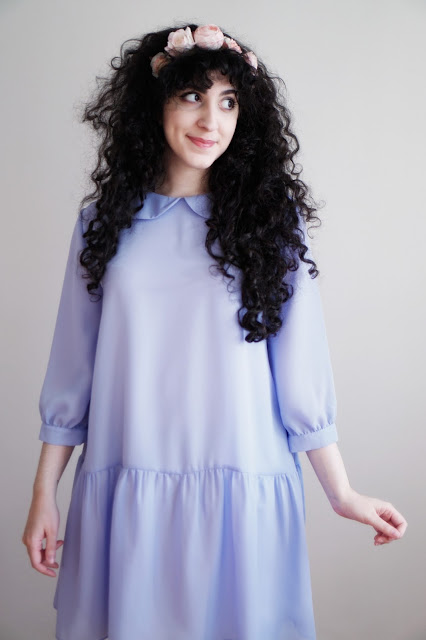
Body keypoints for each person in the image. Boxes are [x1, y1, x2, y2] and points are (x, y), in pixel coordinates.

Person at [22, 22, 407, 640]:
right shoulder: (101, 225)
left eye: (228, 102)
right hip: (126, 481)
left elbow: (301, 370)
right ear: (154, 105)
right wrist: (45, 493)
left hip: (241, 487)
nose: (211, 120)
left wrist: (342, 493)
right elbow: (72, 369)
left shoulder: (271, 225)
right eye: (192, 96)